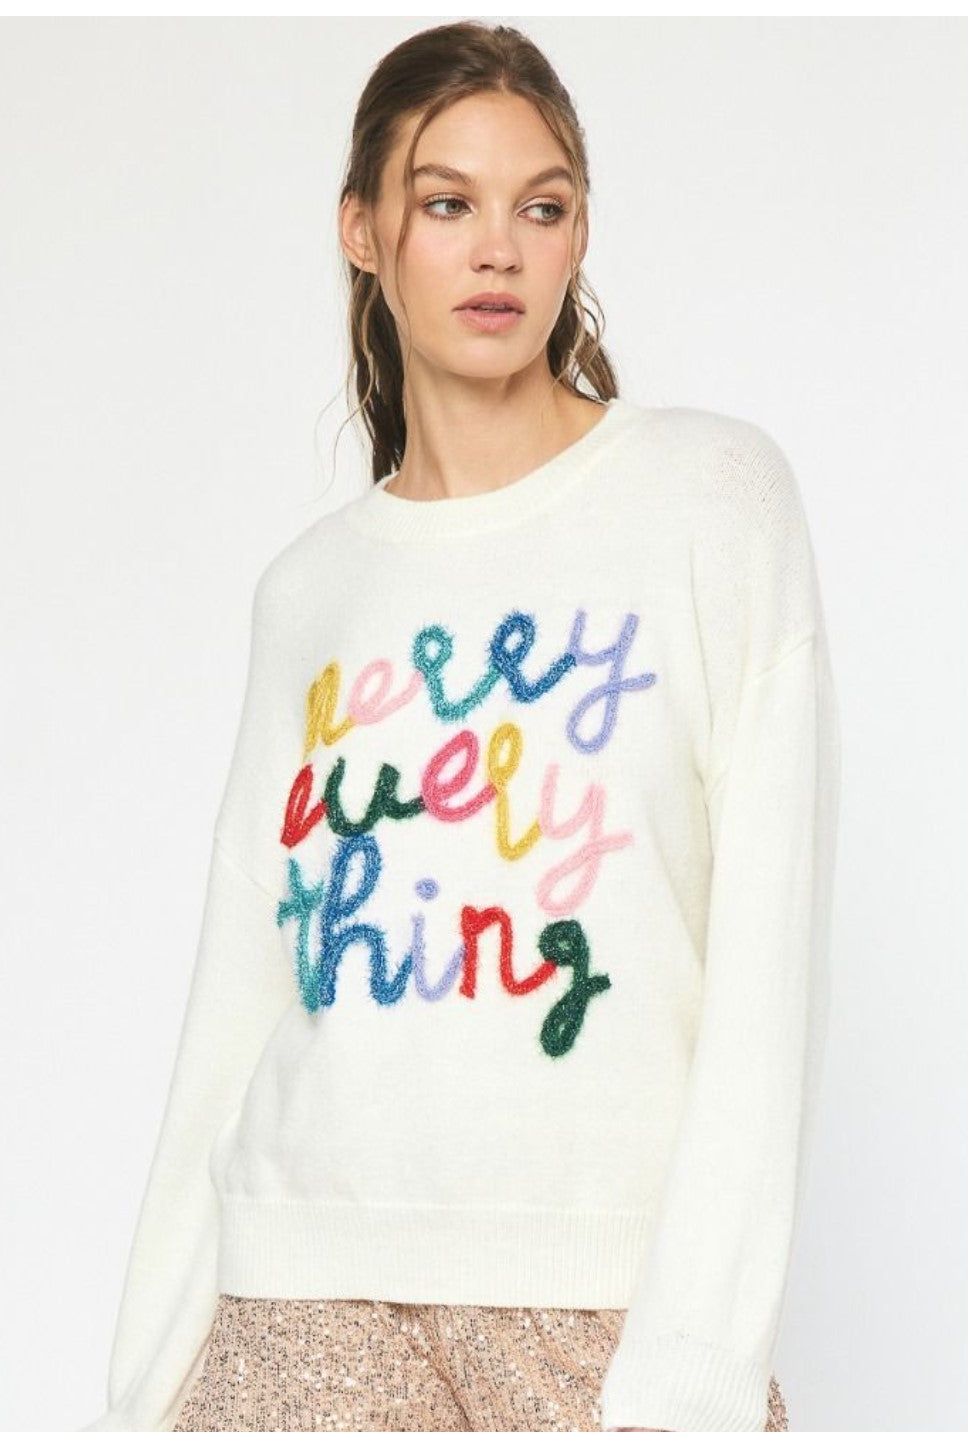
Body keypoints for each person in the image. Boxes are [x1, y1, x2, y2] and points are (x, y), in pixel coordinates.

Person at [74, 19, 839, 1432]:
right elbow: (241, 992)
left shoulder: (712, 499)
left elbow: (768, 961)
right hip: (297, 1306)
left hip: (595, 1309)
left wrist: (695, 1364)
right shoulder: (309, 592)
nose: (499, 251)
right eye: (447, 204)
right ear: (362, 232)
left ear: (578, 235)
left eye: (540, 208)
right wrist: (146, 1382)